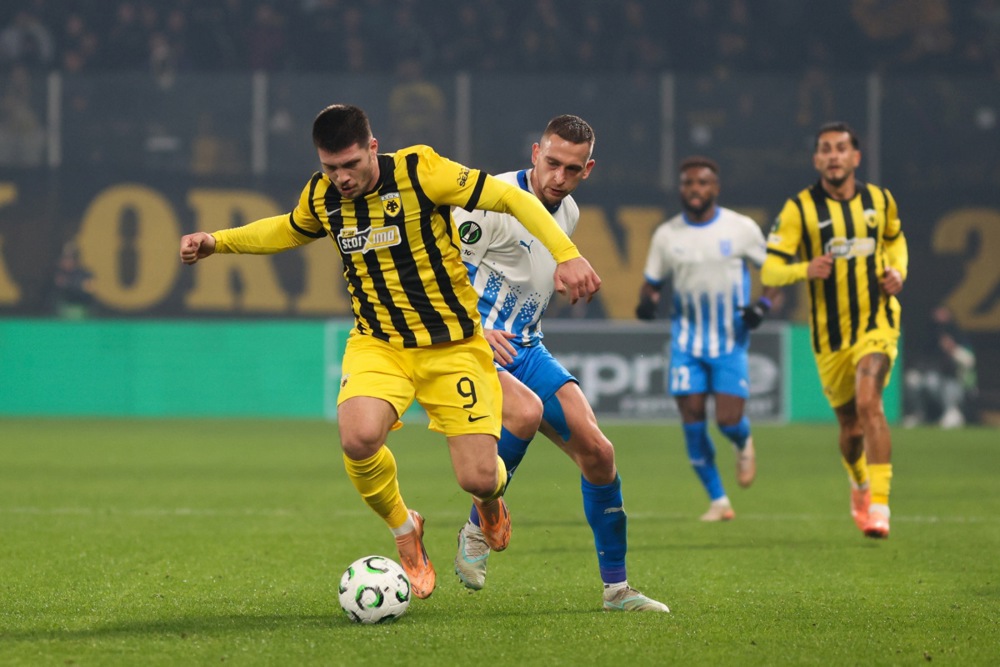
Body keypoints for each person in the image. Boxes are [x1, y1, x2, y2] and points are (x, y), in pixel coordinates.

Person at [179, 104, 602, 600]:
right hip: (379, 343)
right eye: (330, 167)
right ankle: (406, 532)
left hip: (453, 346)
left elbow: (513, 201)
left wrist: (568, 254)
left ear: (373, 147)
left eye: (351, 164)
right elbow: (288, 229)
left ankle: (490, 501)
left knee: (480, 476)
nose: (341, 178)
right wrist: (217, 242)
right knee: (358, 438)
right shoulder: (323, 197)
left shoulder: (422, 172)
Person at [452, 115, 668, 612]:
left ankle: (617, 589)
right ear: (534, 153)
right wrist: (476, 330)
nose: (558, 177)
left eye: (572, 169)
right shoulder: (488, 203)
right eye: (551, 163)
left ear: (586, 169)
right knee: (524, 413)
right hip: (473, 343)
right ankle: (480, 523)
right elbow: (442, 271)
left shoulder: (566, 210)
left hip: (526, 347)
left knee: (600, 452)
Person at [762, 121, 907, 539]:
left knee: (869, 403)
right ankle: (859, 482)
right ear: (817, 159)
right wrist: (803, 269)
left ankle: (880, 506)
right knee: (849, 429)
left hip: (877, 321)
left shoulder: (880, 201)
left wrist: (898, 271)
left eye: (841, 148)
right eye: (825, 149)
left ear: (855, 157)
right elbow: (771, 266)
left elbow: (896, 241)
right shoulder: (799, 209)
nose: (833, 155)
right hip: (829, 337)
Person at [636, 156, 777, 522]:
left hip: (730, 339)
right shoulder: (667, 235)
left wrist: (761, 306)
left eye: (702, 183)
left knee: (729, 421)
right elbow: (652, 284)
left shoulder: (741, 228)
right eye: (688, 183)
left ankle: (743, 442)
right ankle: (718, 500)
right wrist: (646, 305)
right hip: (686, 343)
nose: (695, 189)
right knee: (693, 420)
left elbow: (775, 275)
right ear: (681, 188)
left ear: (715, 188)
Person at [903, 305, 977, 429]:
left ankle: (953, 413)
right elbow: (919, 359)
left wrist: (952, 349)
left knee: (946, 385)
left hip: (956, 382)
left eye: (944, 315)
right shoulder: (927, 338)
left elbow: (969, 362)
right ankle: (917, 414)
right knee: (914, 379)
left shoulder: (959, 336)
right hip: (930, 378)